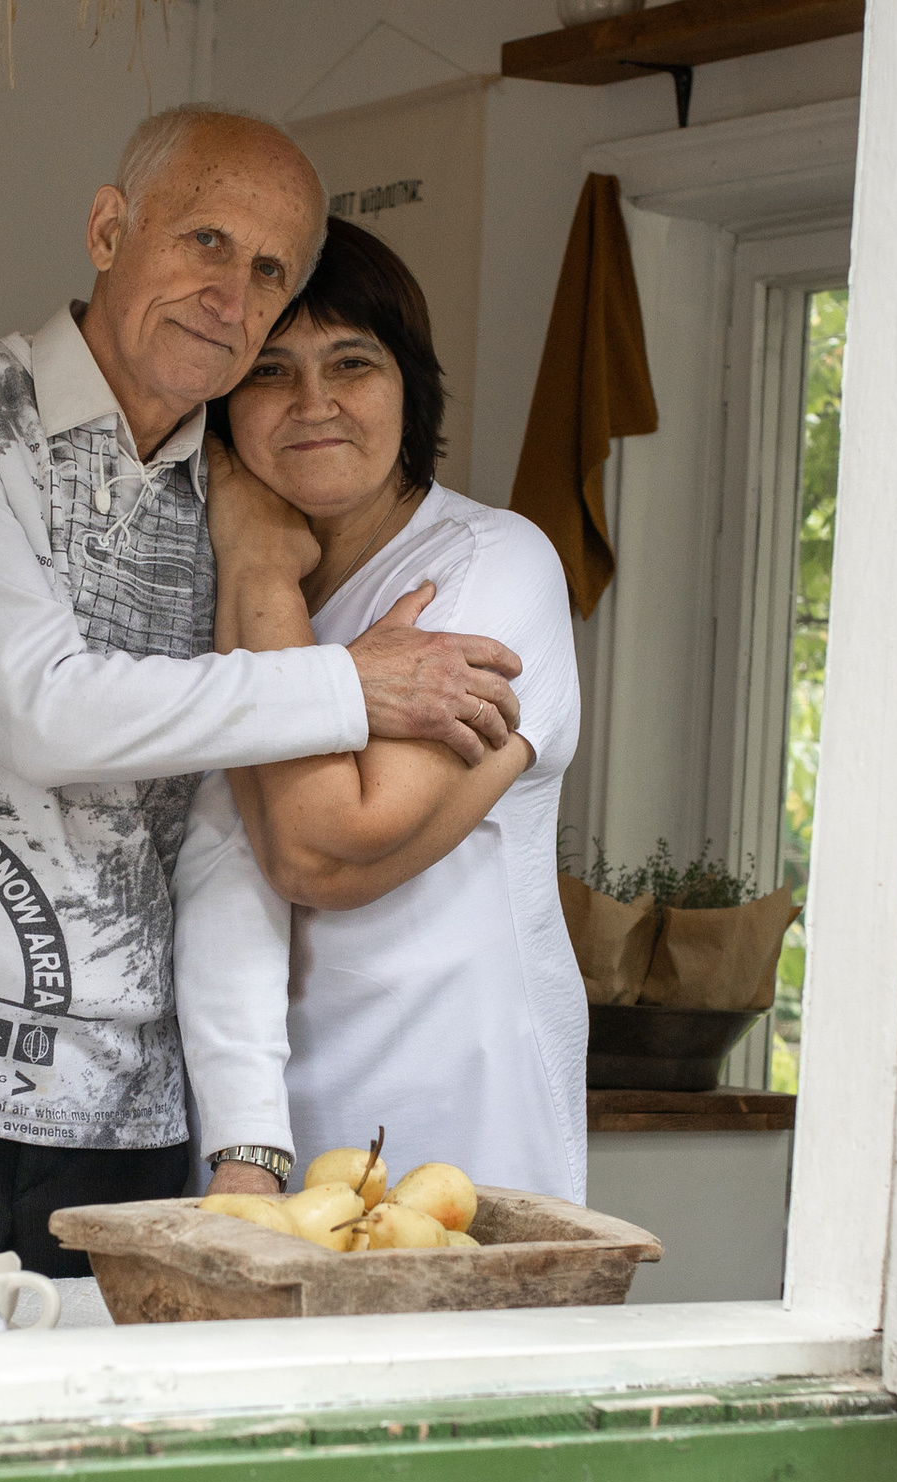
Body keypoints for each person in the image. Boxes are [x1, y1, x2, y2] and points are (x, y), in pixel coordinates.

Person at [0, 106, 527, 1273]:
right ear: (107, 230)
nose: (229, 295)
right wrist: (346, 684)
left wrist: (247, 1140)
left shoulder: (238, 509)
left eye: (268, 272)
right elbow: (41, 711)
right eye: (203, 241)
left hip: (129, 1138)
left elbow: (224, 841)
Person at [178, 217, 592, 1202]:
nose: (313, 403)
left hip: (459, 1124)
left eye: (352, 362)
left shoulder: (490, 564)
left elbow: (318, 850)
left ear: (410, 385)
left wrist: (260, 565)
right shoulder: (203, 584)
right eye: (270, 370)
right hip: (253, 1136)